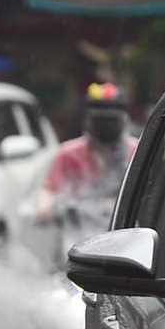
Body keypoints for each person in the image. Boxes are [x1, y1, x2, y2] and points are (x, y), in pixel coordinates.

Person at [34, 82, 140, 260]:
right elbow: (49, 192)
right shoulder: (68, 154)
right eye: (100, 120)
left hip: (122, 244)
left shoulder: (136, 153)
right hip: (75, 242)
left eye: (111, 120)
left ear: (123, 120)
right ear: (88, 120)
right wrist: (45, 209)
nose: (106, 125)